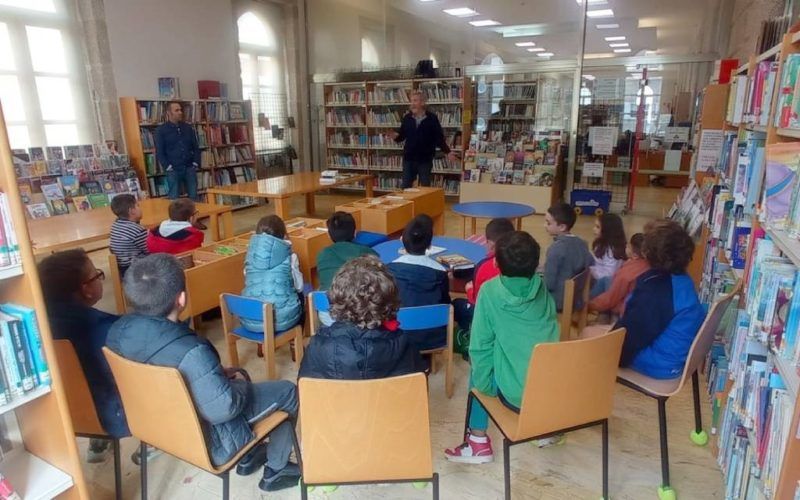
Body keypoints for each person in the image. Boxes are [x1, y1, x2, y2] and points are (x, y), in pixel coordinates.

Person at [106, 254, 301, 492]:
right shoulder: (192, 351)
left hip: (157, 427)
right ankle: (276, 470)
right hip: (211, 440)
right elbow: (224, 408)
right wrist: (237, 383)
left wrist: (217, 376)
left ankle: (249, 456)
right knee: (287, 391)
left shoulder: (116, 333)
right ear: (182, 298)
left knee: (236, 379)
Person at [444, 231, 559, 463]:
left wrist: (483, 388)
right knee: (520, 350)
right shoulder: (542, 288)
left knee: (481, 359)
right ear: (537, 264)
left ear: (495, 262)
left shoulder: (489, 291)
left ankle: (477, 442)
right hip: (551, 393)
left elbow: (480, 347)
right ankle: (546, 431)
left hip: (516, 394)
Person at [583, 220, 706, 379]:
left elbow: (632, 337)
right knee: (599, 333)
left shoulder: (656, 289)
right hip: (673, 353)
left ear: (649, 253)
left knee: (587, 337)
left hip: (658, 363)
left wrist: (612, 353)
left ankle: (585, 396)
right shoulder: (680, 279)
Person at [38, 249, 129, 463]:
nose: (100, 279)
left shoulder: (35, 328)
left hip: (65, 416)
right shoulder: (108, 329)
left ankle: (97, 443)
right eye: (97, 275)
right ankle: (155, 442)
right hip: (114, 418)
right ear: (86, 289)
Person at [299, 256, 426, 379]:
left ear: (335, 298)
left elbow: (305, 391)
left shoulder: (317, 347)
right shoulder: (404, 346)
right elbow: (418, 391)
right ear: (390, 302)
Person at [388, 215, 450, 351]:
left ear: (403, 241)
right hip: (434, 337)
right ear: (429, 245)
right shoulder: (440, 272)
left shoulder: (389, 270)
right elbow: (446, 303)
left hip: (397, 335)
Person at [242, 215, 303, 333]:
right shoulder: (291, 257)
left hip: (250, 319)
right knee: (301, 294)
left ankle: (261, 349)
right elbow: (299, 286)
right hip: (282, 320)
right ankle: (296, 344)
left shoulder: (250, 256)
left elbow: (248, 277)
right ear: (284, 235)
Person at [452, 218, 515, 331]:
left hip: (487, 317)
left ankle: (468, 331)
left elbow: (477, 300)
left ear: (491, 244)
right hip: (511, 315)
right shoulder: (519, 262)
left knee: (456, 304)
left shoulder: (485, 266)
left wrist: (469, 289)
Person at [389, 90, 459, 188]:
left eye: (415, 101)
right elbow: (402, 136)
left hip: (425, 159)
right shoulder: (407, 118)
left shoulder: (432, 119)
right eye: (411, 101)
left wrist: (447, 152)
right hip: (409, 158)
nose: (412, 104)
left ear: (422, 102)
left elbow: (439, 138)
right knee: (405, 185)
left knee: (425, 186)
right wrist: (395, 137)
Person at [543, 202, 594, 311]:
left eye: (548, 223)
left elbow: (549, 284)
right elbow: (591, 262)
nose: (544, 225)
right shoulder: (582, 243)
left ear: (561, 227)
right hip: (577, 299)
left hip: (558, 301)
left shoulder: (555, 249)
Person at [589, 233, 649, 317]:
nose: (625, 247)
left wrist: (590, 305)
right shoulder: (649, 264)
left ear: (635, 255)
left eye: (628, 246)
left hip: (625, 309)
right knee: (606, 279)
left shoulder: (627, 273)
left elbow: (611, 298)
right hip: (637, 305)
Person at [316, 211, 377, 291]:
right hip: (357, 300)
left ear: (329, 235)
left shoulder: (322, 254)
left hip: (326, 300)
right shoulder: (368, 252)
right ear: (355, 233)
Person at [155, 101, 201, 201]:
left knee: (193, 195)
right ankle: (177, 217)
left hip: (189, 167)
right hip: (173, 169)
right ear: (168, 113)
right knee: (174, 197)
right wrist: (167, 166)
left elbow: (196, 147)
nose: (180, 112)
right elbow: (159, 151)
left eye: (180, 110)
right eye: (176, 110)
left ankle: (194, 216)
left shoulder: (188, 128)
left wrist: (195, 163)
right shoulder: (161, 130)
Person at [109, 194, 148, 276]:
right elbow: (150, 249)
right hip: (136, 270)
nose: (140, 208)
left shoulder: (116, 224)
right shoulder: (137, 230)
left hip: (123, 267)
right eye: (138, 205)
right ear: (132, 211)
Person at [590, 213, 627, 298]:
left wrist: (591, 270)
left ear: (608, 230)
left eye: (597, 227)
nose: (594, 229)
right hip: (598, 281)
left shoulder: (611, 251)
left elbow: (608, 276)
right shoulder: (601, 245)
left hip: (604, 287)